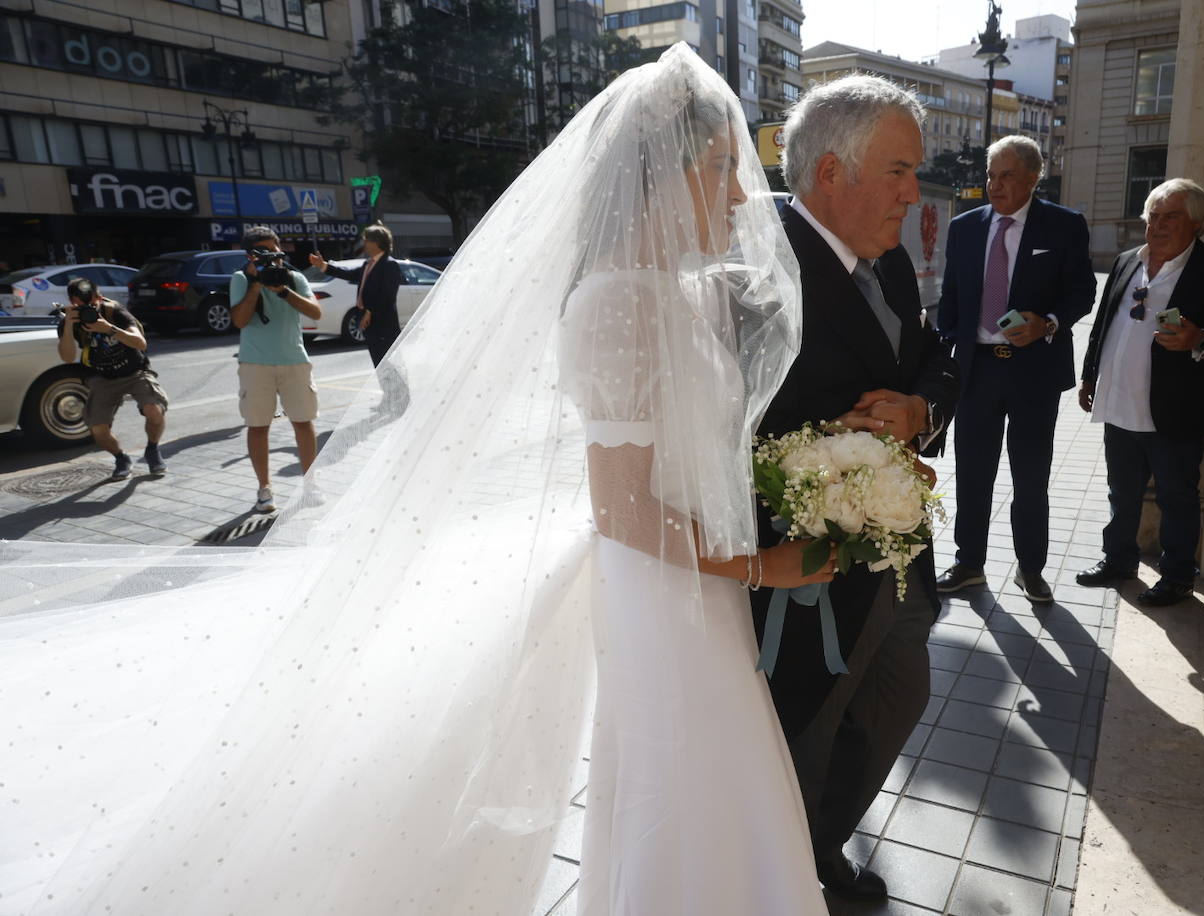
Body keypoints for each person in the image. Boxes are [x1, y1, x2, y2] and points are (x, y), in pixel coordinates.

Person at [0, 44, 829, 915]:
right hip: (666, 591)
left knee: (693, 777)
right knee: (693, 774)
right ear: (661, 174)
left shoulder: (681, 293)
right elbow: (622, 506)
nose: (741, 196)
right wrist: (765, 566)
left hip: (696, 582)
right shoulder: (617, 302)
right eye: (723, 169)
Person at [751, 74, 960, 902]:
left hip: (901, 561)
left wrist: (919, 409)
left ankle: (822, 841)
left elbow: (937, 357)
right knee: (809, 729)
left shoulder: (893, 263)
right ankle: (792, 874)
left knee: (899, 699)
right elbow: (720, 431)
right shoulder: (757, 271)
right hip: (810, 578)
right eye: (900, 172)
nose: (914, 195)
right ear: (830, 173)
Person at [1076, 179, 1204, 605]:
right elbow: (1103, 325)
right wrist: (1089, 376)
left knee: (1177, 495)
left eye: (1169, 216)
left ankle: (1177, 576)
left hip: (1177, 409)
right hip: (1119, 400)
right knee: (1121, 490)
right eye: (1152, 216)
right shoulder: (1125, 262)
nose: (1157, 225)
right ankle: (1118, 559)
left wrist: (1201, 337)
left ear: (1196, 223)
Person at [936, 135, 1096, 603]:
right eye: (990, 174)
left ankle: (1030, 568)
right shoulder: (964, 228)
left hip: (1033, 372)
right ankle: (969, 564)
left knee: (1031, 476)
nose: (994, 184)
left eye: (1006, 175)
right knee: (972, 472)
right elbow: (951, 301)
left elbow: (1082, 292)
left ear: (1032, 178)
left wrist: (1047, 323)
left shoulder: (1063, 226)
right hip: (977, 371)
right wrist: (948, 348)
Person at [230, 226, 323, 513]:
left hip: (294, 360)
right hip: (256, 363)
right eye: (263, 253)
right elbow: (240, 321)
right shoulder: (241, 279)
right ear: (250, 256)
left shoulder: (293, 277)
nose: (271, 258)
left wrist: (282, 290)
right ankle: (264, 489)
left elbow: (315, 313)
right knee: (258, 426)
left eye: (274, 251)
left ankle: (311, 484)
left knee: (304, 422)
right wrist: (256, 284)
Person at [56, 276, 169, 479]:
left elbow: (141, 343)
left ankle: (152, 450)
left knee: (154, 410)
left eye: (92, 304)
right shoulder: (69, 321)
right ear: (73, 303)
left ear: (99, 297)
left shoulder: (113, 312)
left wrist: (109, 328)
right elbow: (66, 357)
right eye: (83, 307)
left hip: (134, 371)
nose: (89, 310)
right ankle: (120, 458)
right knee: (98, 430)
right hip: (102, 377)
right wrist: (66, 326)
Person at [308, 224, 403, 368]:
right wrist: (323, 265)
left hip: (384, 326)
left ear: (376, 243)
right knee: (380, 366)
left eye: (366, 240)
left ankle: (399, 392)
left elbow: (387, 296)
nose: (363, 243)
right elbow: (348, 273)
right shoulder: (368, 264)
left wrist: (369, 312)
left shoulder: (389, 265)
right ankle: (389, 391)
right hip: (370, 325)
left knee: (393, 367)